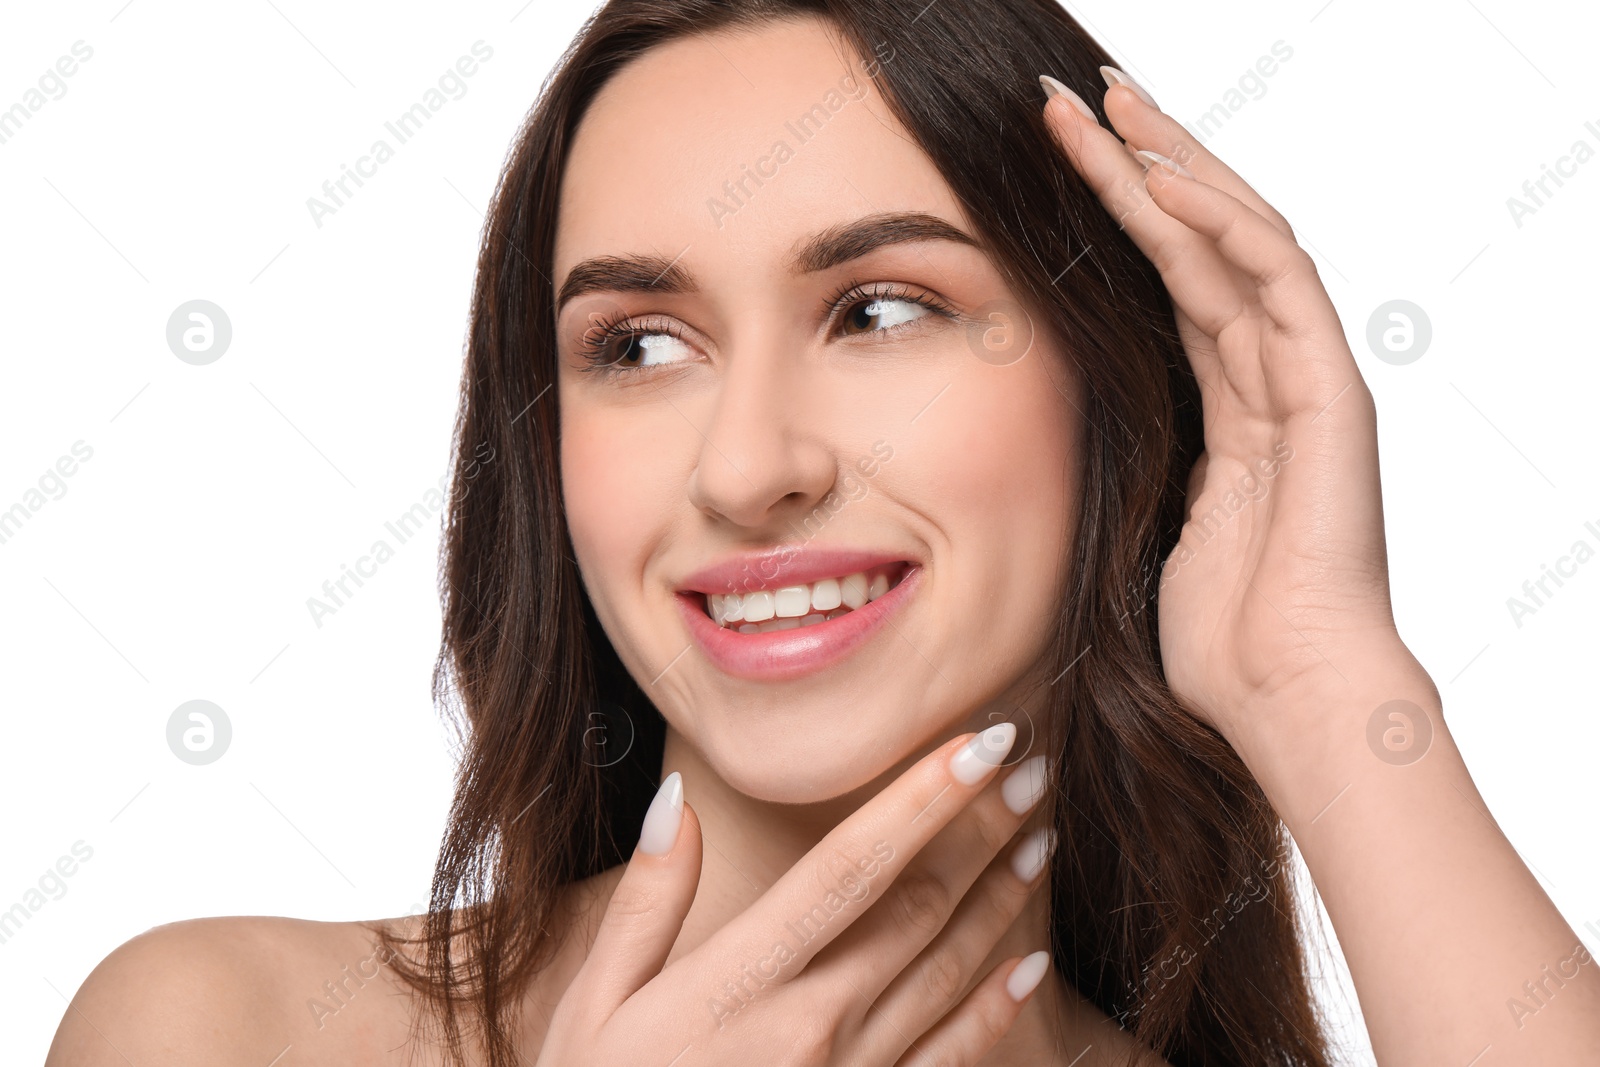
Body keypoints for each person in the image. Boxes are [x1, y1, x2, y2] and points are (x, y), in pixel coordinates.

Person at [47, 1, 1600, 1064]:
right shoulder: (221, 1029)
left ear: (1119, 388)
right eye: (638, 345)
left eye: (880, 310)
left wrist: (1320, 683)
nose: (748, 466)